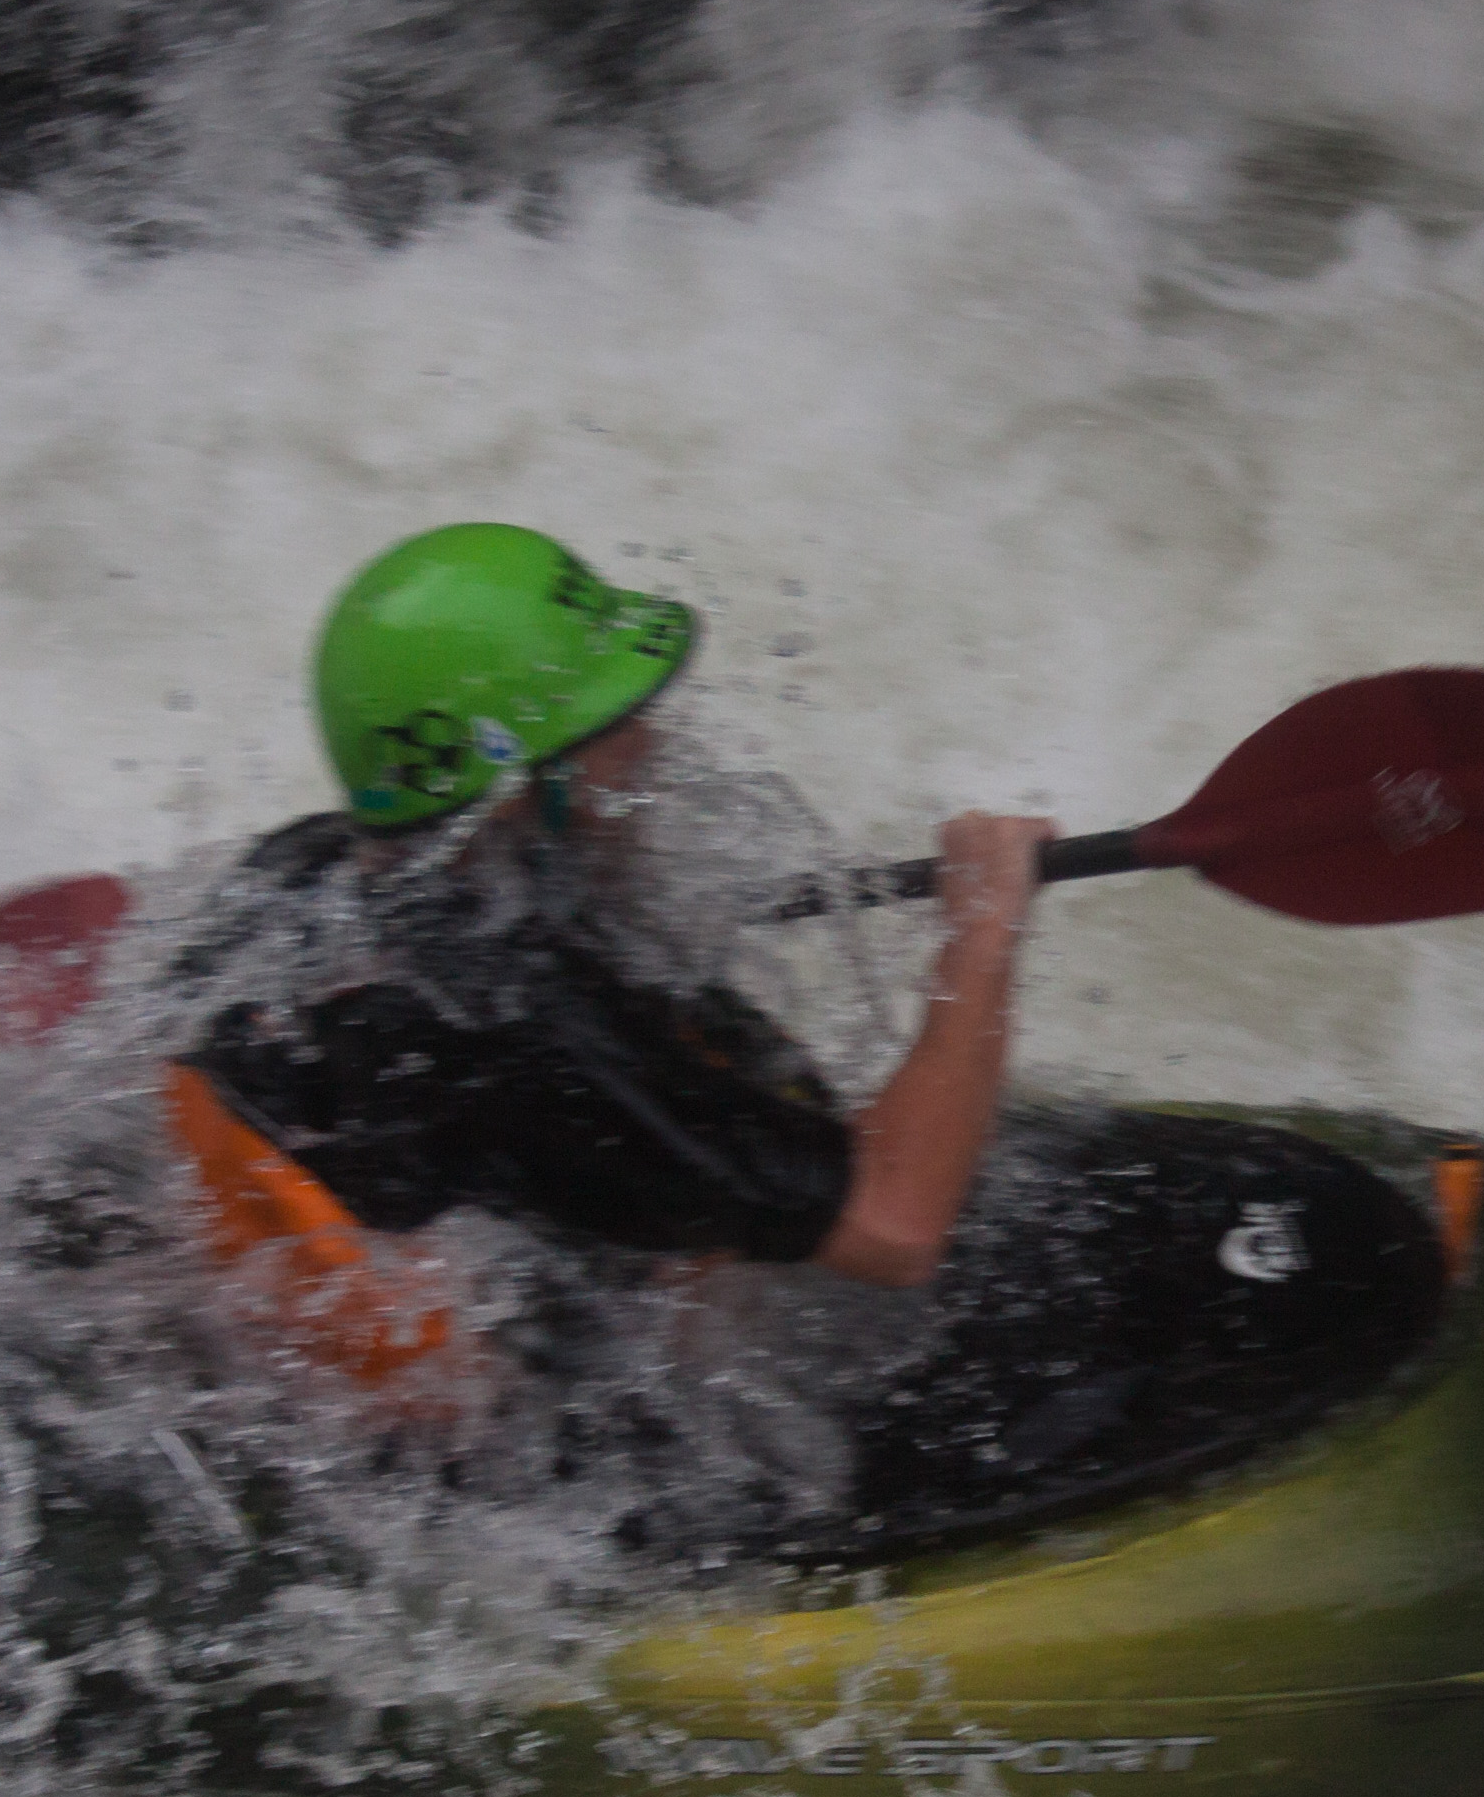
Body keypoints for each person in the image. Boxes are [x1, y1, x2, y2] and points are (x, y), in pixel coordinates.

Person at [171, 522, 1051, 1302]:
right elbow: (897, 1228)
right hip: (491, 1413)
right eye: (611, 724)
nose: (651, 744)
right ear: (526, 791)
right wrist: (983, 928)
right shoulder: (518, 1029)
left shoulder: (307, 868)